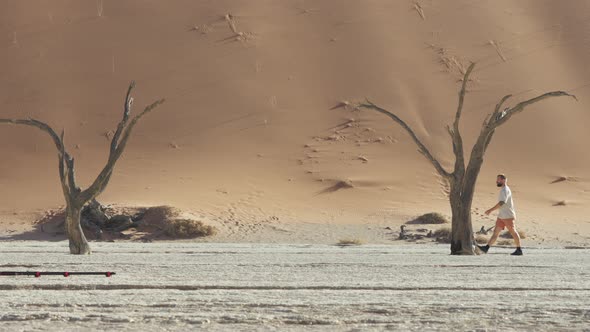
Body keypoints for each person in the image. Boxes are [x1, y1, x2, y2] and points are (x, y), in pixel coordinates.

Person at [477, 174, 523, 256]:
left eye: (498, 180)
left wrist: (490, 210)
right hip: (502, 216)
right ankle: (486, 248)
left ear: (503, 180)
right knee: (496, 233)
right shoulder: (503, 190)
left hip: (508, 216)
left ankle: (519, 250)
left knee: (513, 232)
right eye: (497, 179)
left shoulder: (505, 190)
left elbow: (502, 202)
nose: (496, 181)